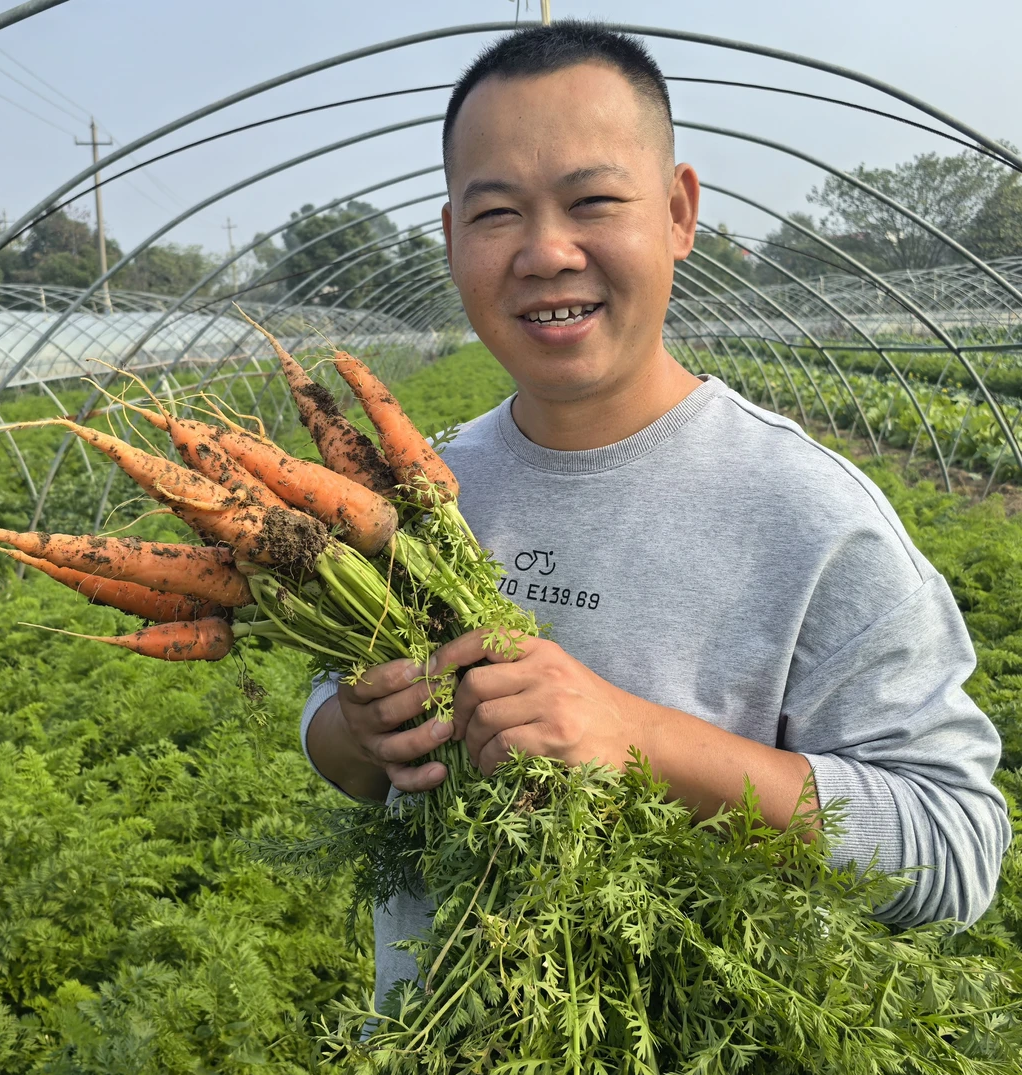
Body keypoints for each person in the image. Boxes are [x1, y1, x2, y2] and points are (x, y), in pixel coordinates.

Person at [302, 21, 1011, 1010]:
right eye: (498, 213)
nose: (548, 253)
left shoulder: (808, 514)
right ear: (453, 236)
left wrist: (641, 741)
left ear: (679, 213)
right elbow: (330, 732)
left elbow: (953, 849)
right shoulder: (413, 503)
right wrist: (356, 732)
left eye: (593, 201)